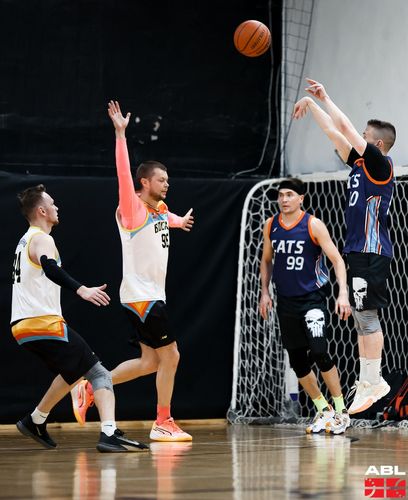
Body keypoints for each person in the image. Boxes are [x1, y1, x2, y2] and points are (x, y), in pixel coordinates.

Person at [71, 101, 194, 442]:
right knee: (172, 356)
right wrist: (120, 135)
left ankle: (91, 388)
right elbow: (123, 175)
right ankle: (163, 421)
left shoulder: (159, 209)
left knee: (149, 363)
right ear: (144, 181)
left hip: (147, 296)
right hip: (143, 297)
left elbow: (165, 217)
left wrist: (179, 221)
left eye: (168, 180)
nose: (167, 184)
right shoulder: (132, 208)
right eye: (161, 180)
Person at [11, 184, 148, 453]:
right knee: (99, 373)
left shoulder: (25, 240)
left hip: (22, 326)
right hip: (43, 323)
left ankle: (35, 420)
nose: (56, 207)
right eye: (52, 203)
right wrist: (81, 289)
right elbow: (50, 268)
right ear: (41, 211)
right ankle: (109, 433)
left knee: (73, 372)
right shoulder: (42, 239)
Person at [293, 78, 396, 414]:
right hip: (359, 251)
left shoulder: (380, 164)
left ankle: (374, 380)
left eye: (364, 137)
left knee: (367, 316)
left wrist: (325, 97)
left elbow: (346, 128)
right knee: (362, 318)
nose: (357, 139)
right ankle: (367, 380)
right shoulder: (359, 164)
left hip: (372, 250)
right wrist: (313, 106)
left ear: (376, 144)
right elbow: (335, 133)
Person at [259, 178, 352, 434]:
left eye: (289, 194)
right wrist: (264, 292)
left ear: (301, 198)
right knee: (297, 361)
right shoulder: (271, 225)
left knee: (319, 352)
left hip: (312, 299)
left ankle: (341, 410)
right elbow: (266, 260)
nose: (284, 199)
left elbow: (337, 260)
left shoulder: (313, 224)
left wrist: (343, 294)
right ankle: (324, 410)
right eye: (281, 195)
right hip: (285, 301)